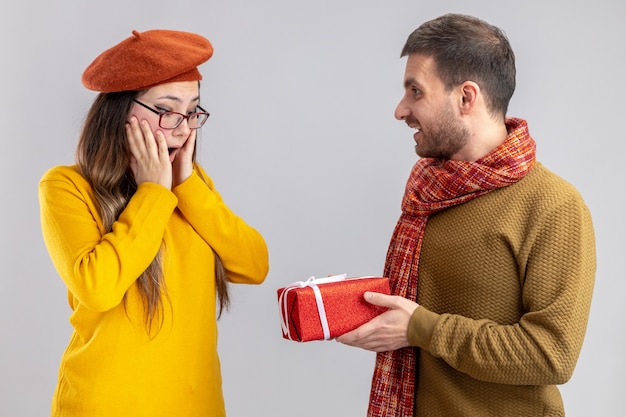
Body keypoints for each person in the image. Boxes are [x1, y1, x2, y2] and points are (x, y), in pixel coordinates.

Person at [337, 13, 596, 417]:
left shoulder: (554, 205)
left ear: (466, 98)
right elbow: (415, 308)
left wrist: (423, 328)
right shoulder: (430, 195)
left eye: (415, 91)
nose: (400, 109)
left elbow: (552, 355)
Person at [38, 29, 269, 417]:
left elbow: (254, 265)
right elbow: (98, 289)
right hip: (105, 406)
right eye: (166, 109)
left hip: (198, 405)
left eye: (193, 110)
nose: (184, 127)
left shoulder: (191, 186)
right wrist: (153, 193)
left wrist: (186, 186)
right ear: (121, 112)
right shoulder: (66, 186)